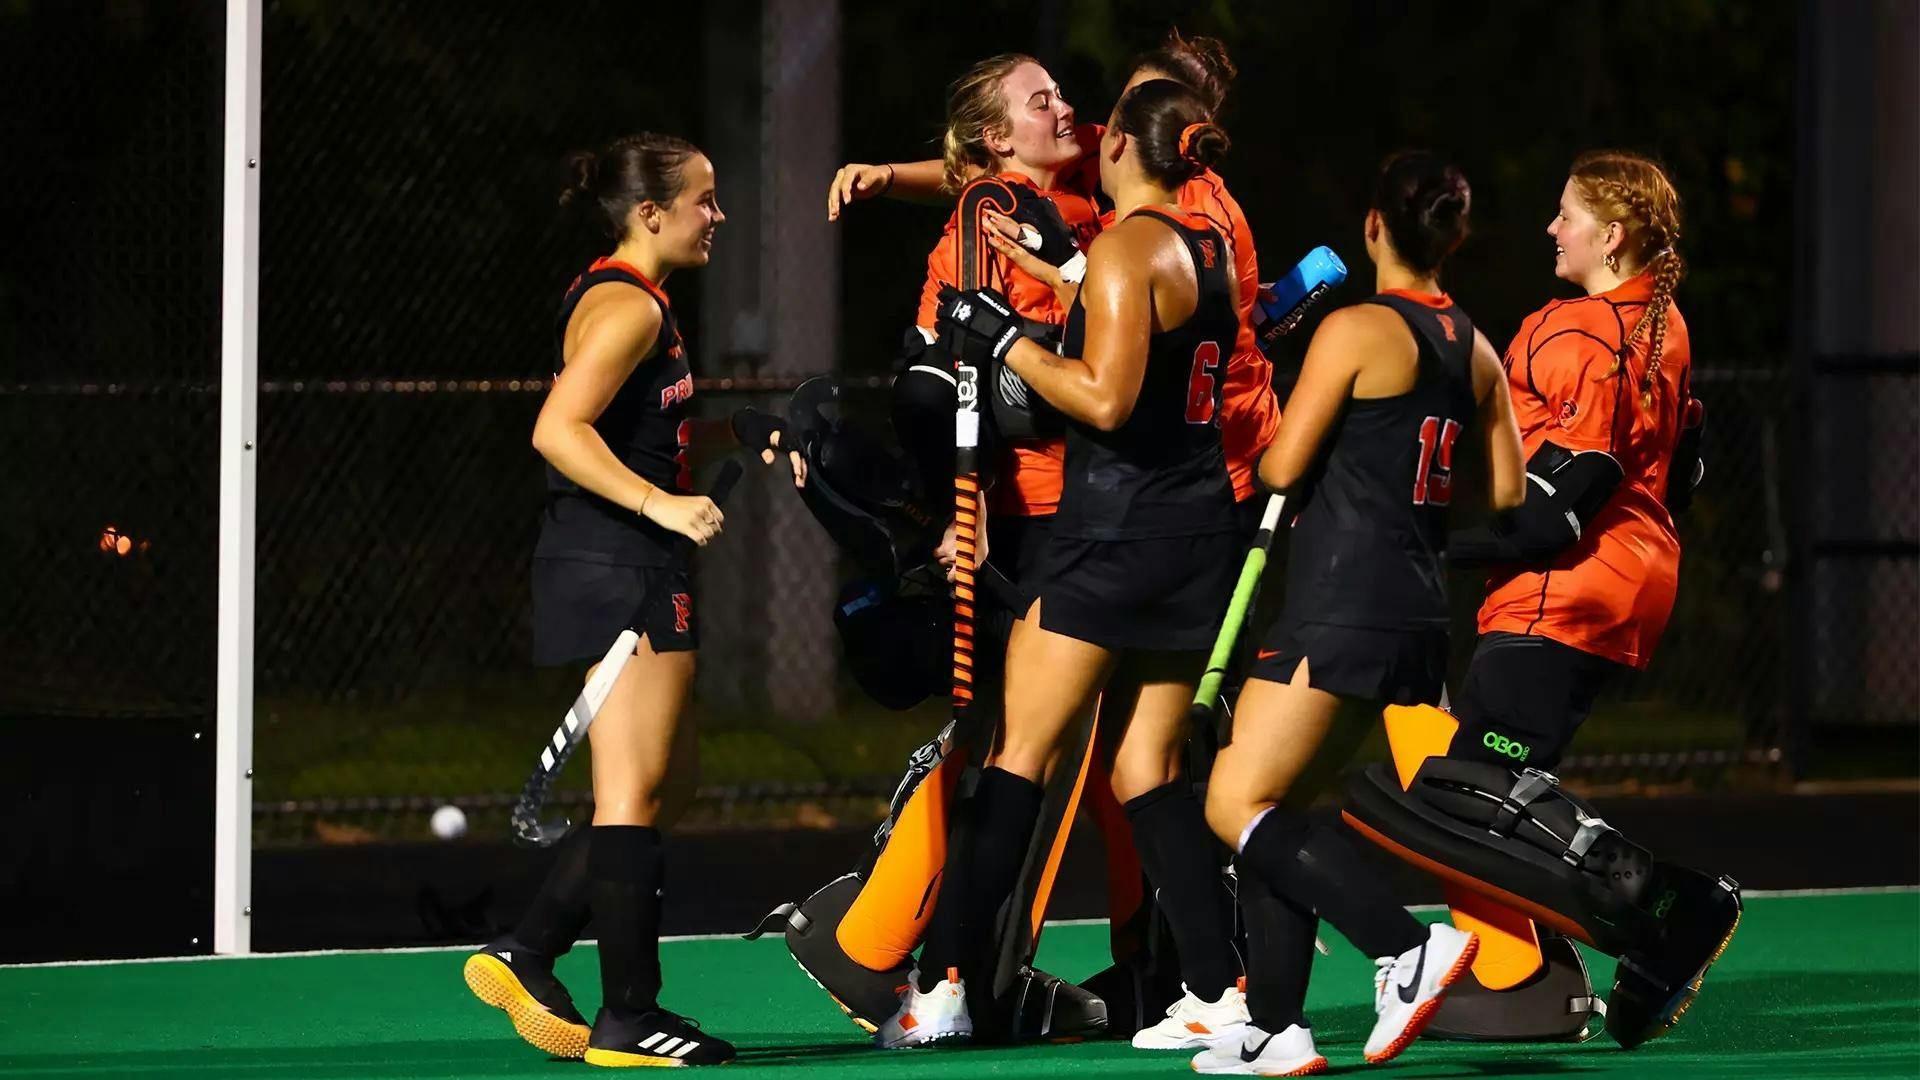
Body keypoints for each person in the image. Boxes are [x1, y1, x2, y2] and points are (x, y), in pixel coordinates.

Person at [879, 78, 1247, 1050]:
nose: (1083, 129)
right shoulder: (1201, 248)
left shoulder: (1125, 245)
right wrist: (1060, 275)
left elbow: (1104, 397)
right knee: (1145, 769)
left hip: (1111, 536)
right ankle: (1219, 990)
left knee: (1017, 760)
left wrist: (999, 335)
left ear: (1123, 144)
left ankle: (944, 987)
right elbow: (1136, 331)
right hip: (1199, 537)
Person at [1364, 148, 1736, 1052]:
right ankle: (1552, 976)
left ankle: (1659, 905)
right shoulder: (1663, 323)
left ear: (1612, 235)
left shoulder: (1573, 329)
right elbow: (1682, 468)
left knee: (1443, 789)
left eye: (1567, 214)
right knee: (1493, 787)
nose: (1551, 228)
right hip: (1633, 577)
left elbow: (1558, 505)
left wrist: (1417, 545)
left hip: (1562, 589)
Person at [459, 133, 800, 1069]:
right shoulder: (627, 308)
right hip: (620, 565)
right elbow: (557, 430)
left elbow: (641, 424)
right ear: (651, 213)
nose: (717, 216)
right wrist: (661, 505)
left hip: (633, 562)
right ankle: (627, 1018)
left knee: (665, 785)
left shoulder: (638, 300)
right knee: (629, 795)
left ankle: (526, 951)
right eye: (705, 200)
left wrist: (736, 428)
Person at [1193, 151, 1527, 1076]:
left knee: (1231, 801)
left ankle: (1402, 948)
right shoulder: (1478, 347)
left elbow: (1279, 468)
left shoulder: (1356, 328)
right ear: (1452, 237)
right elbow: (1502, 488)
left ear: (1374, 227)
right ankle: (1274, 1027)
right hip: (1418, 610)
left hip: (1341, 601)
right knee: (1279, 802)